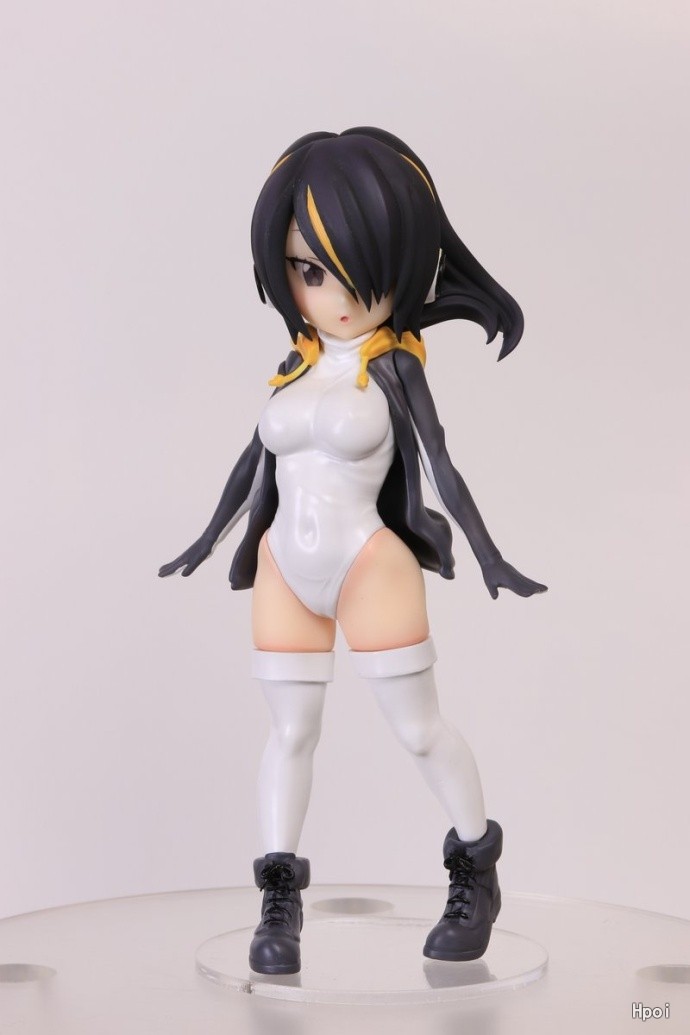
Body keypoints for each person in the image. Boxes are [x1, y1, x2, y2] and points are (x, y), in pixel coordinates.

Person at [159, 127, 547, 975]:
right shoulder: (294, 365)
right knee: (289, 733)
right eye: (307, 269)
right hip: (282, 568)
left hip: (369, 561)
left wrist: (489, 556)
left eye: (346, 268)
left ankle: (475, 867)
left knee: (418, 728)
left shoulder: (395, 367)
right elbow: (253, 463)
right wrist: (206, 537)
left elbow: (441, 466)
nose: (327, 293)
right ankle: (279, 899)